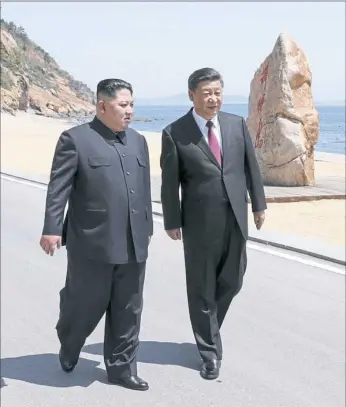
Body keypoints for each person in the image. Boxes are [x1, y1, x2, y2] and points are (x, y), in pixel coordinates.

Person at [39, 78, 153, 391]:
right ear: (102, 106)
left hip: (134, 241)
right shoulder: (75, 139)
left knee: (129, 307)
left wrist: (148, 226)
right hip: (91, 242)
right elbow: (58, 188)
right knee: (85, 303)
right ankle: (70, 340)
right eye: (123, 105)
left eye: (131, 105)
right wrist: (51, 228)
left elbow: (143, 189)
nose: (129, 111)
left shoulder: (139, 141)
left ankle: (121, 369)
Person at [160, 68, 267, 380]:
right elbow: (170, 183)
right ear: (192, 95)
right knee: (202, 286)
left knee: (233, 279)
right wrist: (172, 220)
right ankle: (209, 353)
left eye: (217, 92)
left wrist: (259, 204)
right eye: (207, 93)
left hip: (236, 215)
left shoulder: (236, 124)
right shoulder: (174, 132)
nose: (213, 98)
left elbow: (251, 167)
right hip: (198, 222)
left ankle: (208, 326)